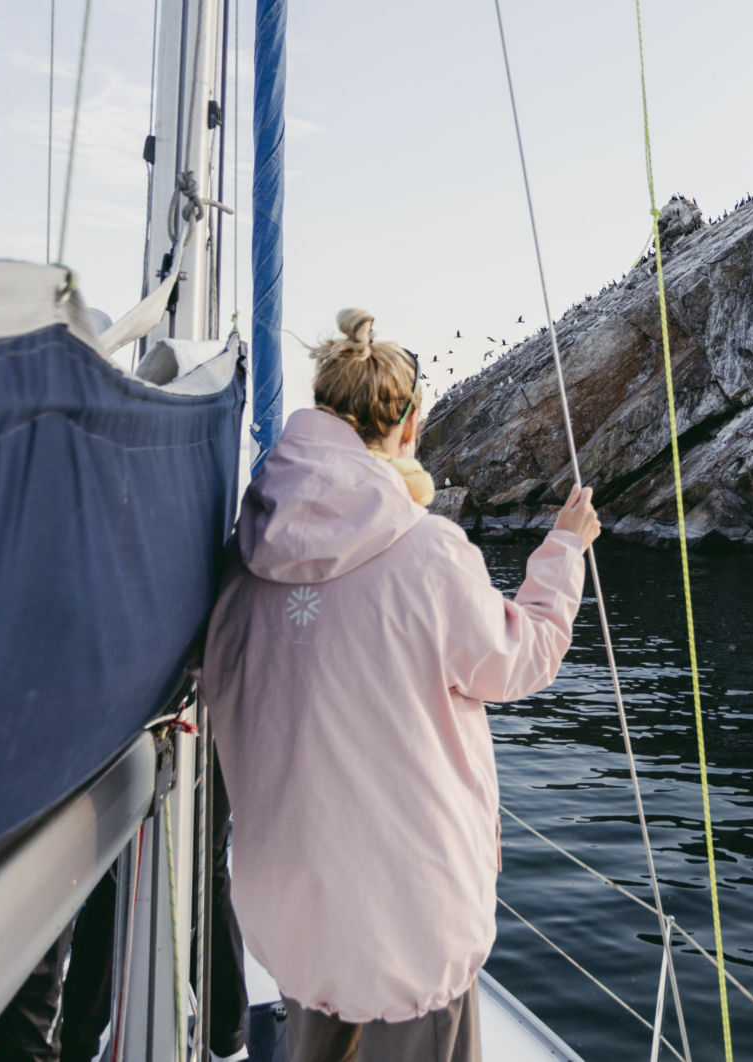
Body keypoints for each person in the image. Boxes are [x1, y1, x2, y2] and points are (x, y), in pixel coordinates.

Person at [201, 308, 598, 1062]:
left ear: (322, 412)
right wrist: (564, 551)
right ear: (409, 426)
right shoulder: (430, 554)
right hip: (409, 919)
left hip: (291, 912)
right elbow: (523, 659)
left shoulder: (241, 556)